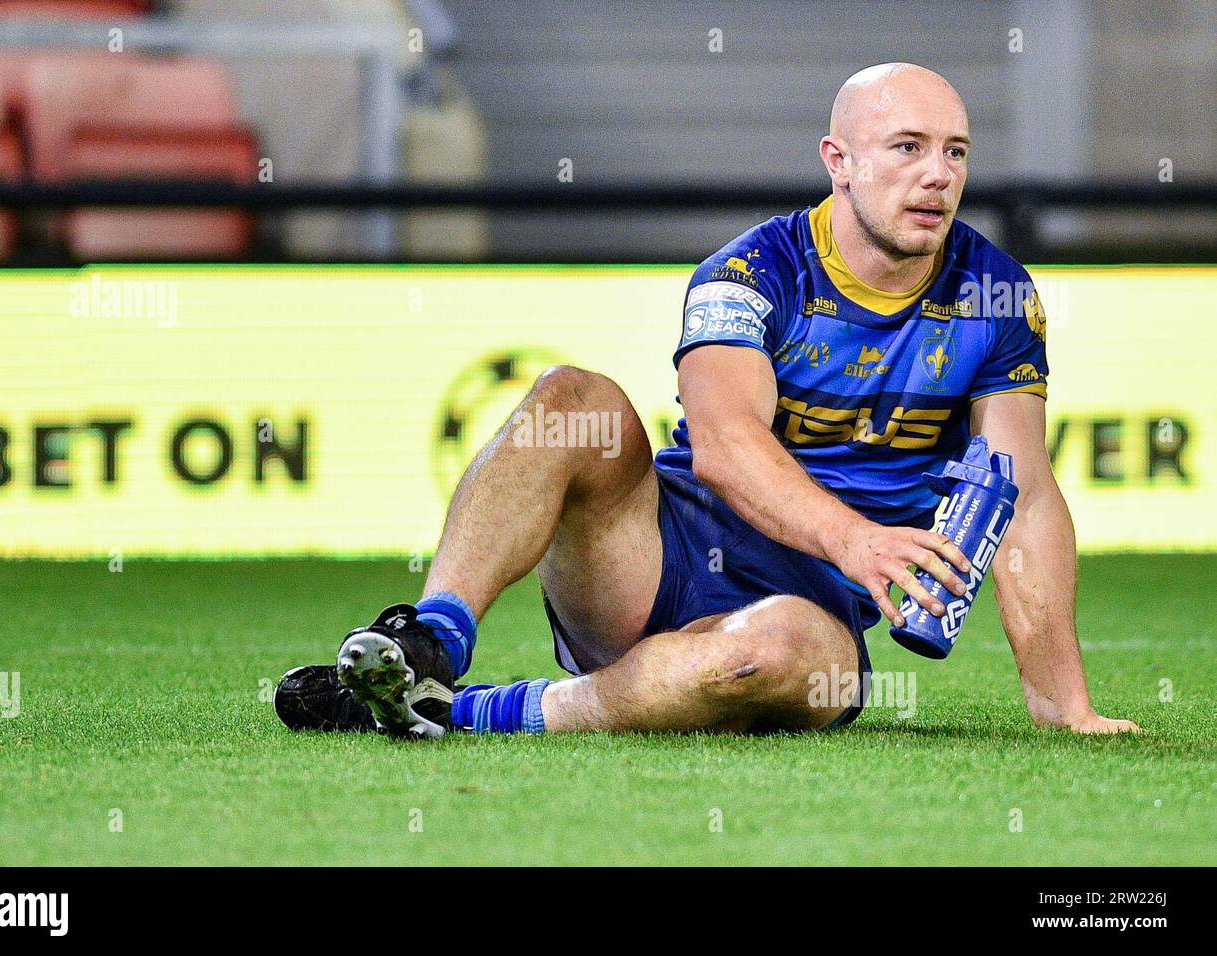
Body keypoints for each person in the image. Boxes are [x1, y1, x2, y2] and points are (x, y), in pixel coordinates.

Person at [274, 62, 1139, 739]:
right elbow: (725, 446)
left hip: (817, 614)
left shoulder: (996, 292)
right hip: (655, 558)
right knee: (572, 397)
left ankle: (453, 715)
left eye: (955, 152)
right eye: (906, 147)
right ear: (838, 162)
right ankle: (433, 638)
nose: (937, 176)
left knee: (777, 656)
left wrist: (1061, 699)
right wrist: (860, 538)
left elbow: (1020, 493)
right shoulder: (747, 273)